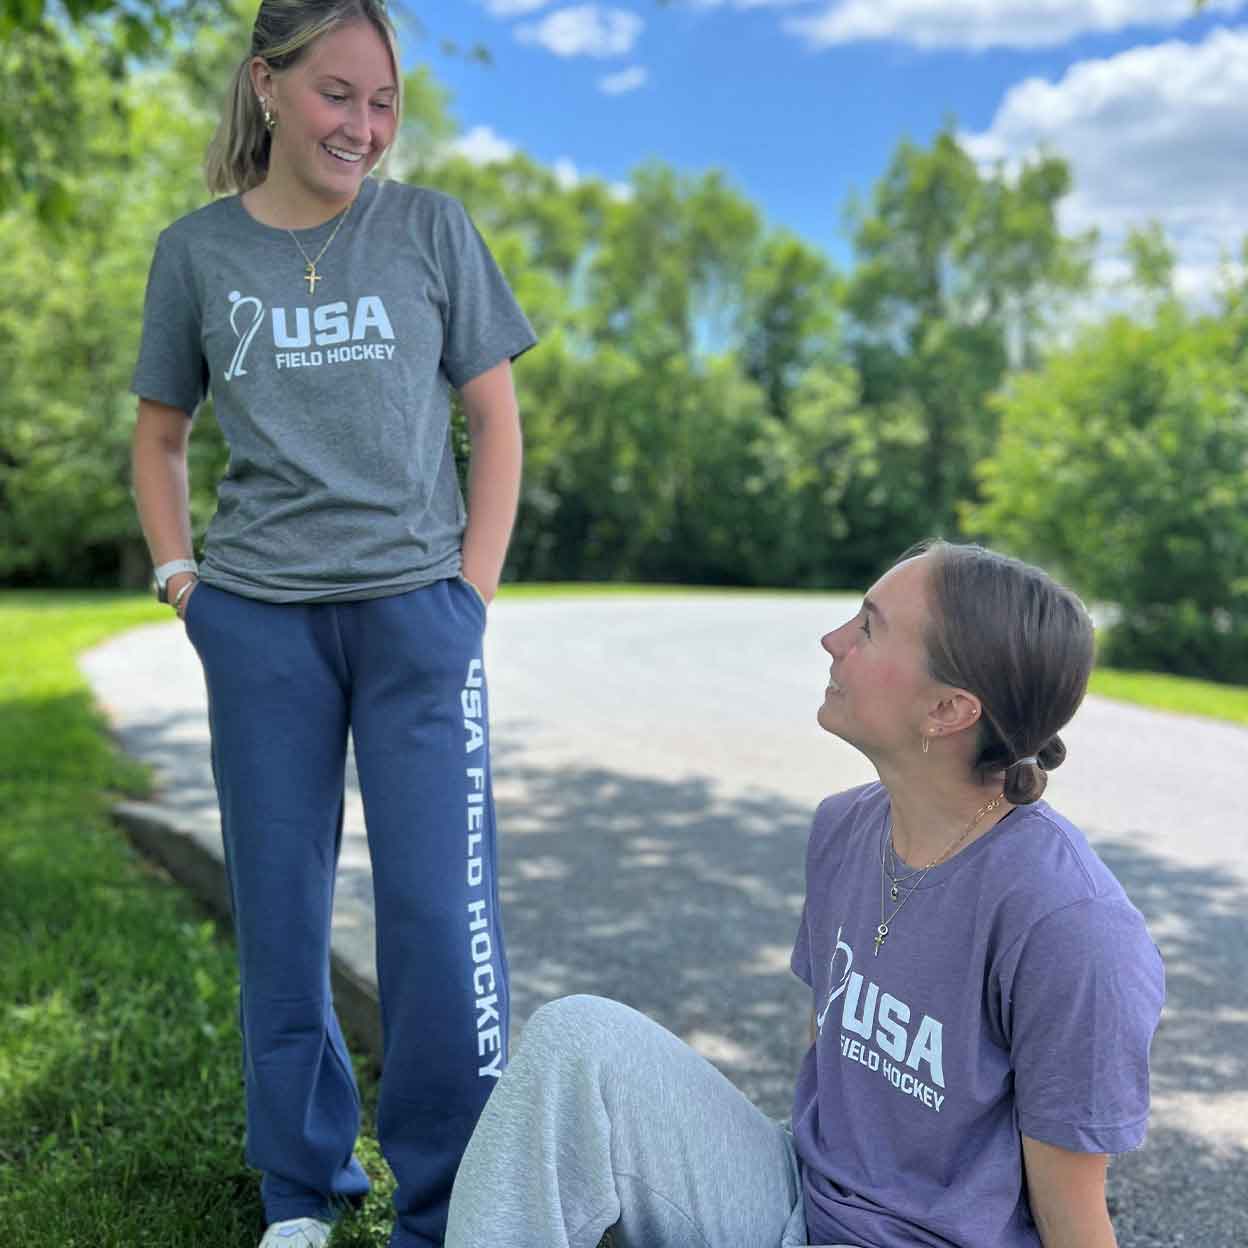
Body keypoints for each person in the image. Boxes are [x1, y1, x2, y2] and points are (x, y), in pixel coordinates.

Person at [443, 541, 1165, 1248]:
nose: (833, 640)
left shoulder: (1071, 925)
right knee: (576, 1039)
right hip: (800, 1199)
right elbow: (835, 1078)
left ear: (949, 709)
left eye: (869, 629)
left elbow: (1073, 1219)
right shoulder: (845, 828)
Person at [129, 1, 537, 1244]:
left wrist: (469, 598)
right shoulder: (196, 251)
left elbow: (497, 421)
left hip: (419, 621)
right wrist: (183, 583)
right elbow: (160, 435)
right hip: (261, 626)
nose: (364, 125)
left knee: (438, 920)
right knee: (281, 914)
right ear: (268, 85)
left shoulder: (430, 229)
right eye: (337, 94)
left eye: (383, 101)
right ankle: (301, 1190)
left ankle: (450, 1200)